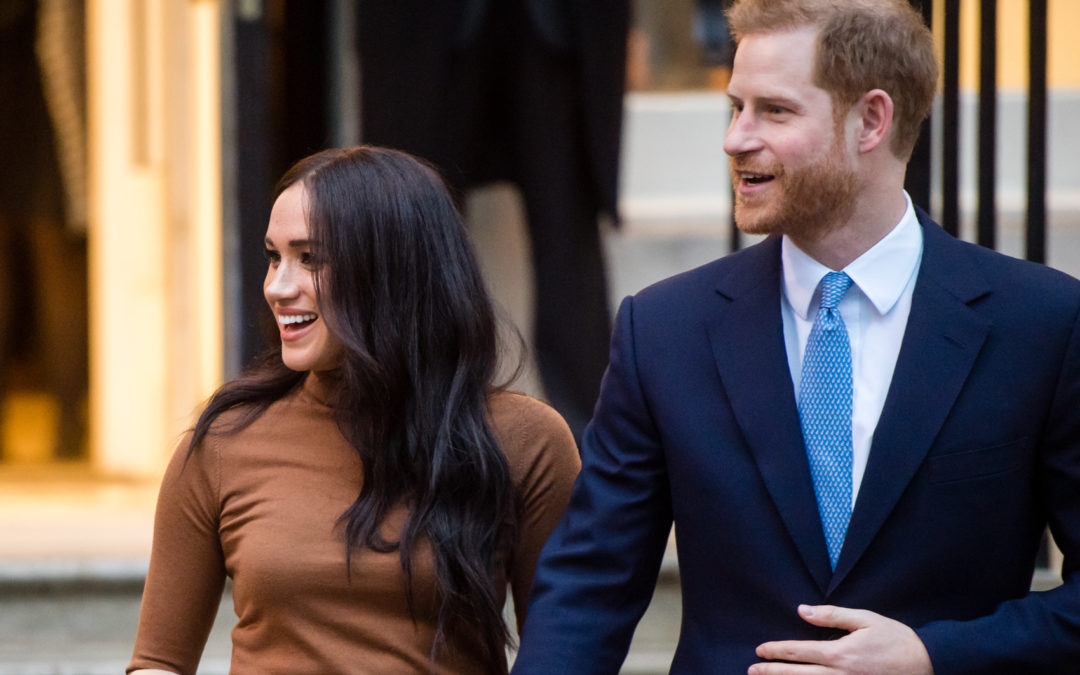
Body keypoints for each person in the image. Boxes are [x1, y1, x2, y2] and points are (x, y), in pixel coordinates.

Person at [512, 0, 1080, 673]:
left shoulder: (1041, 323)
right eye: (736, 106)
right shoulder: (663, 330)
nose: (735, 137)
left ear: (871, 119)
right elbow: (587, 590)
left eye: (774, 111)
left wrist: (934, 654)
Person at [127, 146, 579, 674]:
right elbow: (158, 662)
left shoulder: (525, 440)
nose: (278, 286)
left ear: (392, 270)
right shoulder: (223, 444)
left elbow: (568, 652)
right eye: (274, 257)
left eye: (310, 258)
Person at [358, 0, 630, 440]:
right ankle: (406, 425)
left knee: (569, 240)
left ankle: (595, 442)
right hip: (427, 28)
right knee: (410, 223)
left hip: (557, 26)